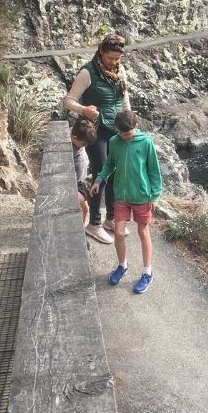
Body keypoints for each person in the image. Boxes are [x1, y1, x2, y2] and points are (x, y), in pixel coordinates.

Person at [63, 33, 131, 244]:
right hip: (97, 130)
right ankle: (94, 223)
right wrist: (83, 109)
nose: (113, 63)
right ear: (101, 52)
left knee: (116, 173)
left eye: (117, 59)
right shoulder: (87, 72)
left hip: (116, 129)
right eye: (110, 58)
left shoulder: (120, 70)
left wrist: (130, 123)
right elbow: (68, 100)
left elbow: (124, 98)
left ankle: (111, 218)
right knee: (101, 174)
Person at [91, 110, 162, 294]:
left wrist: (155, 196)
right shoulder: (115, 141)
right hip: (120, 196)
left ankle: (147, 273)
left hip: (141, 196)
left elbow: (154, 171)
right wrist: (99, 179)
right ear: (116, 130)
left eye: (128, 134)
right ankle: (122, 266)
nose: (125, 137)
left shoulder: (146, 143)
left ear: (136, 127)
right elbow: (109, 164)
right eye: (121, 133)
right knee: (119, 233)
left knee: (143, 232)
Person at [70, 118, 97, 226]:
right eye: (83, 144)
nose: (84, 146)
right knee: (78, 204)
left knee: (85, 209)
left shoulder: (76, 136)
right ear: (74, 137)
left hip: (80, 181)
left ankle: (82, 224)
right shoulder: (70, 145)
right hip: (73, 182)